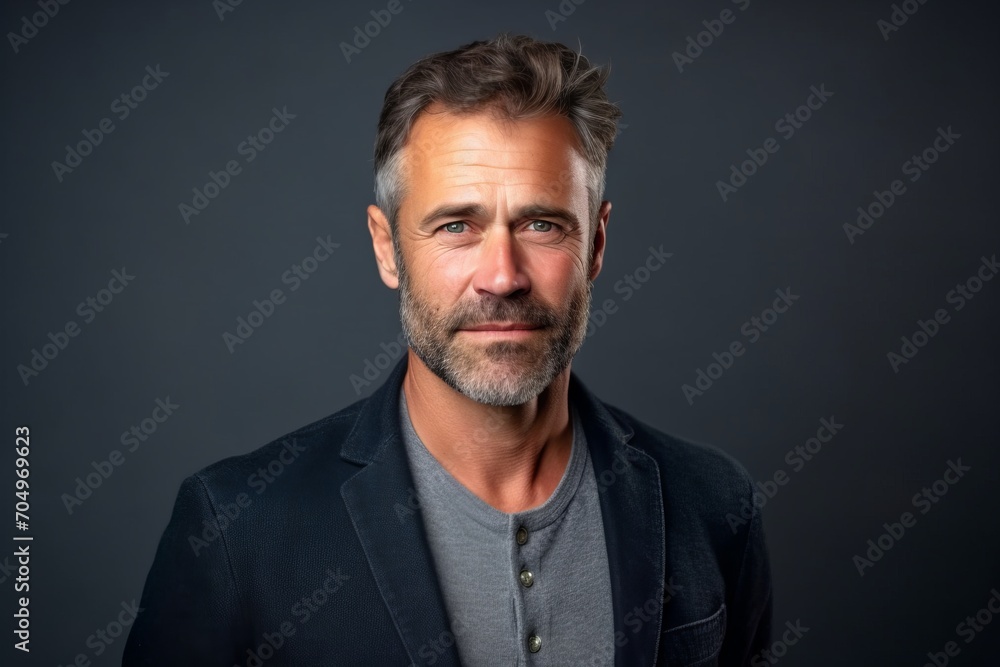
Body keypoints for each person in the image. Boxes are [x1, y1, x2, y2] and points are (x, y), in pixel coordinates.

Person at [123, 32, 771, 666]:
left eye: (541, 223)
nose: (502, 276)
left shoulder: (712, 503)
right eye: (456, 225)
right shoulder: (237, 530)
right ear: (387, 247)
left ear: (596, 244)